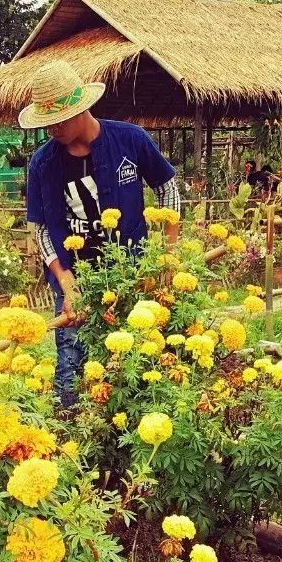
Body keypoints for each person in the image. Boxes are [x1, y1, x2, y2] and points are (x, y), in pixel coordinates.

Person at [21, 60, 181, 403]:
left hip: (131, 273)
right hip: (76, 279)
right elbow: (44, 230)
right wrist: (67, 283)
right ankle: (72, 434)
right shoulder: (42, 163)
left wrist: (166, 255)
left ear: (82, 109)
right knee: (70, 369)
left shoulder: (131, 141)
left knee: (135, 363)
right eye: (46, 123)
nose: (53, 129)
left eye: (58, 120)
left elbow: (167, 188)